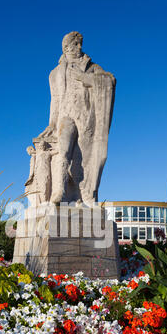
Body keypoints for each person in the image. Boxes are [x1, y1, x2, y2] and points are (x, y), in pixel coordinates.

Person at [37, 31, 116, 206]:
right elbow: (55, 99)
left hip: (87, 118)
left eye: (81, 44)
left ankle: (83, 194)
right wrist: (52, 122)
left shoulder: (92, 67)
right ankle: (60, 191)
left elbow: (109, 81)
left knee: (85, 158)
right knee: (63, 149)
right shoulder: (55, 73)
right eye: (76, 44)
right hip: (66, 115)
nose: (80, 47)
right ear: (66, 47)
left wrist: (85, 78)